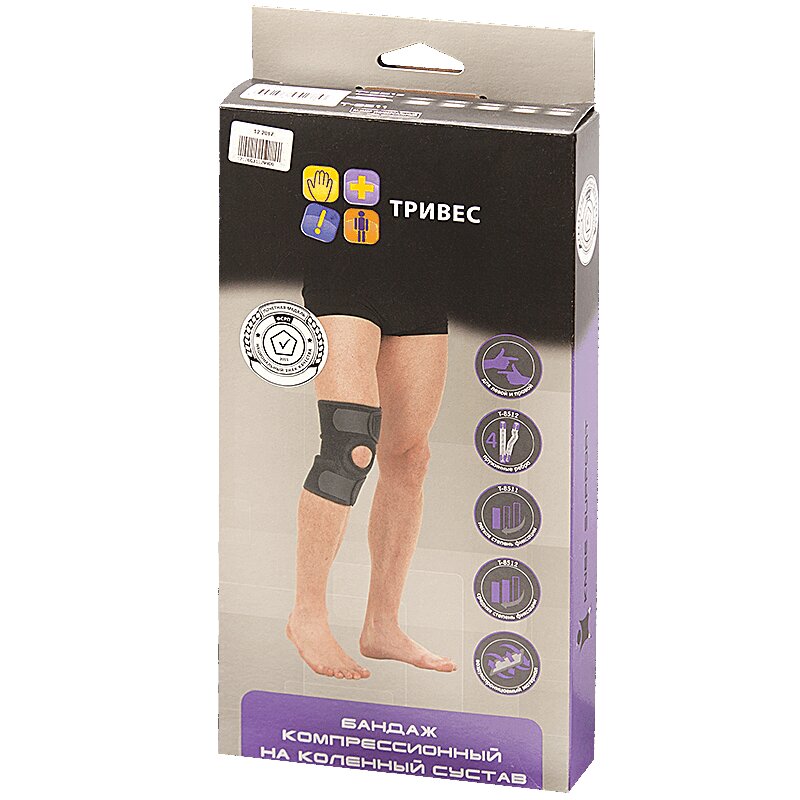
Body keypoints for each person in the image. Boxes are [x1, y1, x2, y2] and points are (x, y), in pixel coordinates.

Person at [285, 289, 455, 680]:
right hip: (346, 268)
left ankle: (382, 627)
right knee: (349, 448)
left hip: (422, 273)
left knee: (410, 458)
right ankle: (307, 615)